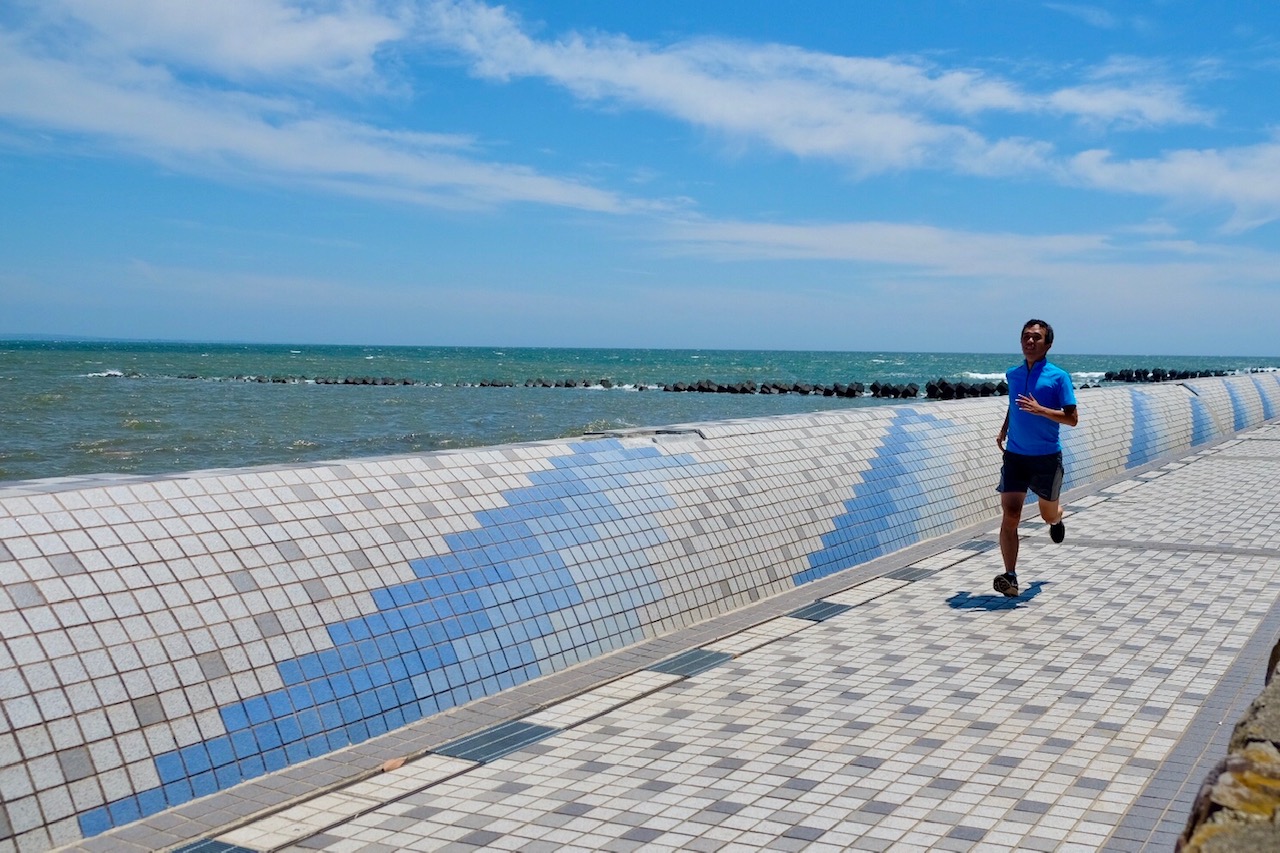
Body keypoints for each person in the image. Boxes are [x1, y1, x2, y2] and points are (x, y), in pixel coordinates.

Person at [994, 319, 1078, 597]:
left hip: (1046, 458)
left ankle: (1057, 520)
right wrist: (1005, 428)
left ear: (1048, 344)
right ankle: (1011, 576)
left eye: (1037, 338)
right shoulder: (1013, 374)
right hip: (1016, 456)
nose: (1030, 341)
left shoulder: (1059, 377)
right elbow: (1015, 404)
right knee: (1011, 516)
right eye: (1026, 337)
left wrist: (1041, 410)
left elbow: (1072, 419)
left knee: (1047, 514)